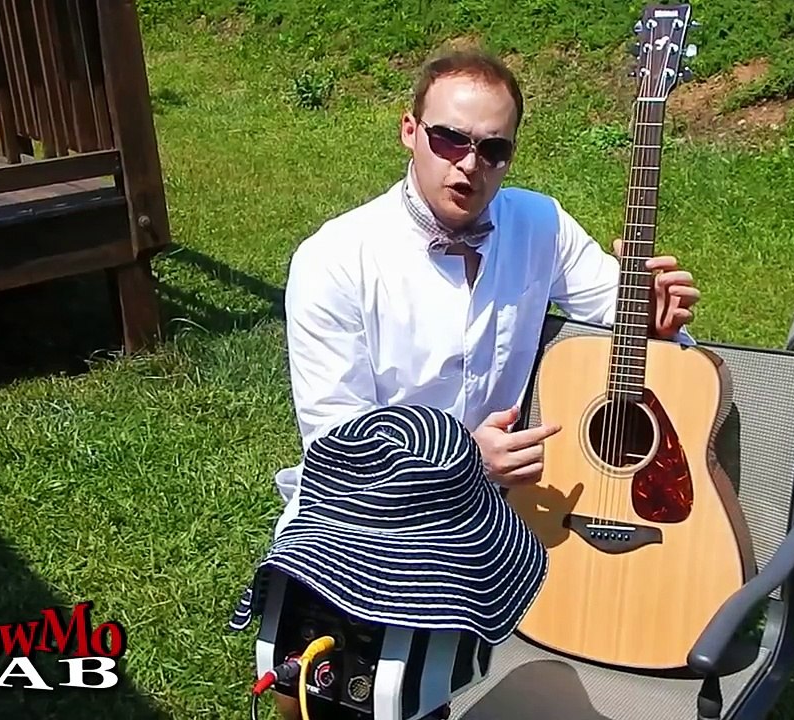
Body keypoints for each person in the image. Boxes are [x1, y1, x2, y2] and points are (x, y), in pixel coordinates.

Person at [264, 47, 701, 720]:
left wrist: (658, 316)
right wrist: (462, 459)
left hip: (498, 517)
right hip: (369, 518)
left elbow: (622, 308)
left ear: (511, 155)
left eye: (493, 149)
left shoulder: (539, 224)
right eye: (449, 139)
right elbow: (335, 445)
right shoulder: (335, 260)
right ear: (410, 131)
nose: (469, 163)